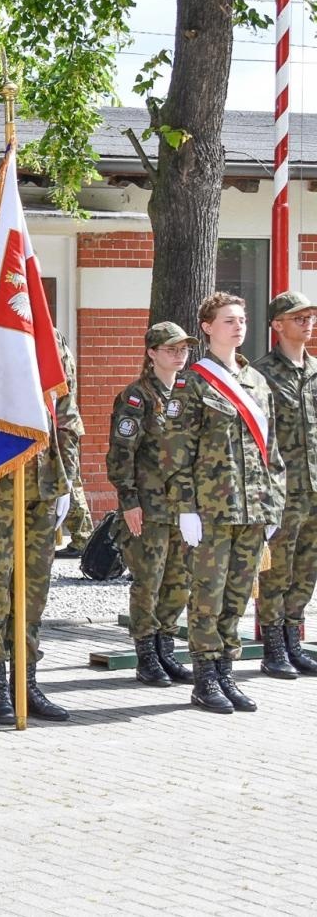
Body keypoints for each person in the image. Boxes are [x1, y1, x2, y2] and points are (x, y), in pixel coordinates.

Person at [171, 292, 286, 713]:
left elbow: (271, 450)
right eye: (228, 320)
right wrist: (186, 508)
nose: (238, 327)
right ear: (206, 327)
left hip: (252, 508)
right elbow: (177, 452)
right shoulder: (194, 382)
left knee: (238, 594)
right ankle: (204, 678)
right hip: (211, 510)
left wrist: (273, 505)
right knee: (208, 595)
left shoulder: (256, 381)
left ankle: (226, 672)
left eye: (241, 320)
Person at [0, 334, 81, 724]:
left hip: (44, 487)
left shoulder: (53, 339)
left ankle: (25, 683)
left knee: (33, 593)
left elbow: (67, 416)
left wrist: (68, 484)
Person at [105, 322, 197, 686]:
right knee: (149, 580)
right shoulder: (137, 397)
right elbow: (120, 454)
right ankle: (146, 654)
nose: (179, 354)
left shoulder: (189, 393)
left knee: (179, 579)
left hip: (183, 508)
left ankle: (166, 648)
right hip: (149, 506)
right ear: (152, 353)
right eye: (171, 348)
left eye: (184, 348)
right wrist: (129, 501)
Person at [255, 291, 317, 678]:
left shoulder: (315, 371)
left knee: (307, 568)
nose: (307, 323)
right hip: (282, 489)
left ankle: (295, 642)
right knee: (276, 570)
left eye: (310, 317)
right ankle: (273, 648)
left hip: (314, 487)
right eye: (298, 318)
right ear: (277, 324)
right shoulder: (261, 373)